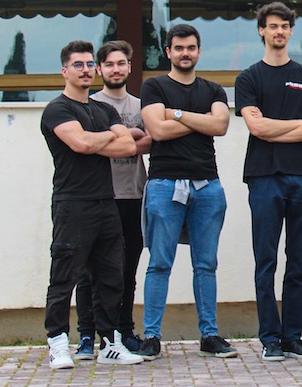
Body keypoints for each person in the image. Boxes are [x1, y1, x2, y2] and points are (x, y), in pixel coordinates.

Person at [39, 40, 143, 369]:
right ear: (64, 71)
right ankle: (58, 343)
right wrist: (105, 137)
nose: (85, 71)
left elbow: (128, 147)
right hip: (72, 204)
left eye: (88, 65)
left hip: (106, 202)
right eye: (78, 65)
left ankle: (110, 343)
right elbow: (81, 143)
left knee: (111, 276)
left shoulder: (104, 110)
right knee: (65, 276)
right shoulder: (57, 109)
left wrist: (95, 139)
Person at [235, 3, 302, 363]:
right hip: (264, 177)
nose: (279, 32)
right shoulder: (249, 78)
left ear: (291, 31)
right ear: (262, 30)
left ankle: (293, 337)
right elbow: (256, 128)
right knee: (266, 260)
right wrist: (298, 126)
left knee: (298, 261)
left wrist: (277, 127)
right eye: (272, 26)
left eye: (284, 26)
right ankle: (269, 338)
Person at [138, 23, 236, 360]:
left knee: (206, 264)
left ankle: (209, 335)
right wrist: (199, 121)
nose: (185, 53)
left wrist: (176, 114)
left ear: (199, 51)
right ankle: (151, 336)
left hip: (207, 186)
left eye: (191, 47)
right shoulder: (154, 86)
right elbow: (157, 131)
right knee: (159, 263)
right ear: (168, 52)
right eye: (178, 48)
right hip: (164, 185)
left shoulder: (213, 89)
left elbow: (220, 125)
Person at [72, 41, 152, 360]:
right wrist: (128, 137)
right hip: (100, 196)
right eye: (109, 64)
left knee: (126, 271)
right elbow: (85, 146)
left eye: (121, 63)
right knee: (89, 272)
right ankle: (87, 335)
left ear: (129, 67)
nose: (115, 69)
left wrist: (114, 143)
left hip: (134, 195)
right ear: (99, 69)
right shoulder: (89, 105)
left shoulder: (142, 105)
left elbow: (152, 142)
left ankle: (123, 331)